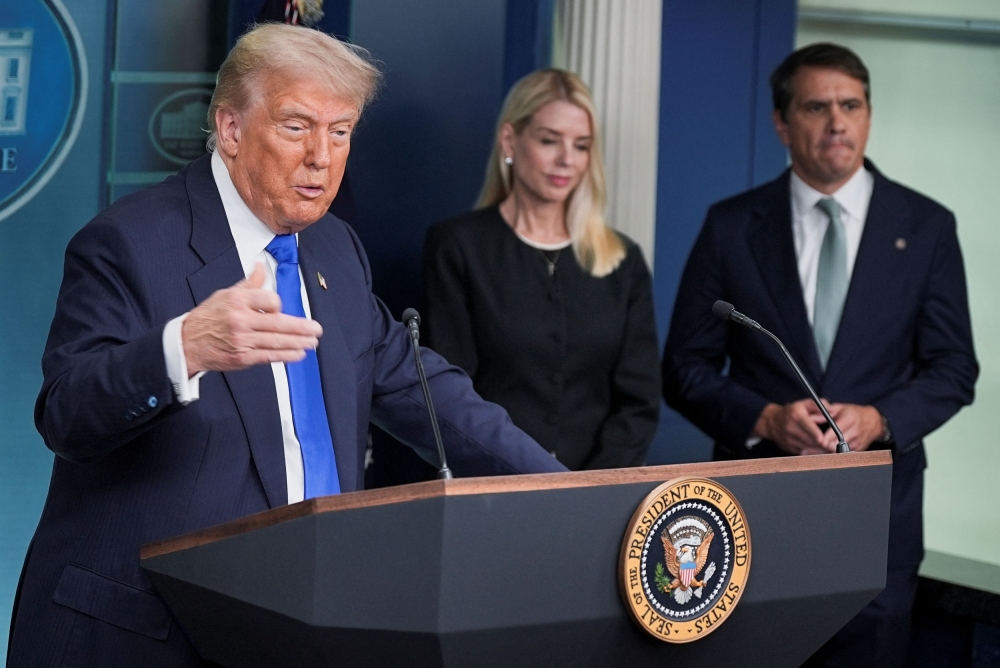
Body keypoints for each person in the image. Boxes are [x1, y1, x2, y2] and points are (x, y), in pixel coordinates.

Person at [7, 24, 566, 667]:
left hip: (294, 627)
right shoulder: (128, 243)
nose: (321, 158)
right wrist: (183, 348)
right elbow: (67, 416)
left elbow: (421, 386)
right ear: (232, 129)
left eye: (341, 131)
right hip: (146, 634)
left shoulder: (334, 248)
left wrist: (564, 492)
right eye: (297, 127)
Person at [662, 43, 977, 667]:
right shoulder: (730, 226)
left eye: (851, 105)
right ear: (782, 123)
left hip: (877, 519)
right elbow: (684, 368)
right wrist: (764, 418)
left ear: (868, 115)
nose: (837, 121)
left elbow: (953, 369)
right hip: (755, 515)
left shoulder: (928, 226)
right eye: (816, 106)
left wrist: (881, 419)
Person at [422, 69, 661, 471]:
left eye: (581, 146)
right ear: (510, 140)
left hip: (599, 496)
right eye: (550, 141)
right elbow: (451, 392)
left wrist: (593, 491)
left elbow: (639, 401)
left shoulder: (623, 258)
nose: (567, 159)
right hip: (491, 488)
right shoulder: (458, 246)